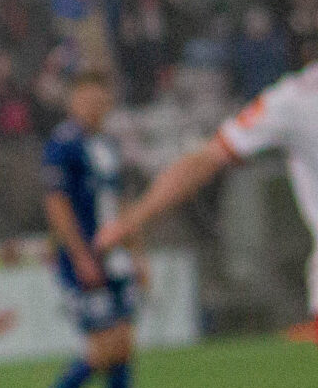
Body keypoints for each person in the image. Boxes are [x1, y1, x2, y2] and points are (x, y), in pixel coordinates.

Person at [98, 58, 318, 343]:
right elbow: (205, 160)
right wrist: (133, 220)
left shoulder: (294, 98)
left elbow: (205, 160)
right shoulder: (296, 99)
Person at [24, 71, 155, 388]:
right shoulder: (63, 145)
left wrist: (138, 255)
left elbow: (123, 204)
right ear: (73, 101)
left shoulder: (109, 145)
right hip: (83, 260)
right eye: (85, 98)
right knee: (105, 346)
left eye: (99, 99)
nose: (93, 106)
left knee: (123, 342)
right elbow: (57, 204)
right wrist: (80, 255)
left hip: (116, 259)